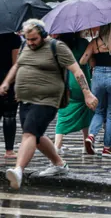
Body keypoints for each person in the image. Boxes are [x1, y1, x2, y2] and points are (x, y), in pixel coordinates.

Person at [0, 19, 98, 189]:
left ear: (43, 35)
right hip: (26, 98)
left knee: (29, 133)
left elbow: (77, 71)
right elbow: (17, 66)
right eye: (28, 39)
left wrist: (87, 93)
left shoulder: (57, 47)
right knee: (34, 135)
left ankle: (18, 170)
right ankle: (59, 164)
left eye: (34, 39)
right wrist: (7, 83)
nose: (30, 43)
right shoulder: (25, 46)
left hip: (48, 99)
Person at [81, 22, 111, 156]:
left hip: (98, 78)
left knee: (98, 111)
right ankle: (107, 148)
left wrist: (93, 59)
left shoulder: (95, 42)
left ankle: (91, 135)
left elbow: (83, 60)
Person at [54, 33, 93, 154]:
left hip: (65, 81)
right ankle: (85, 140)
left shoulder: (57, 45)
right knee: (85, 111)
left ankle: (57, 144)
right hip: (82, 82)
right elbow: (91, 63)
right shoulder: (84, 43)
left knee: (63, 112)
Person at [0, 32, 21, 158]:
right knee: (9, 115)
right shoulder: (13, 38)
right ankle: (9, 151)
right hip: (7, 79)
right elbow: (16, 64)